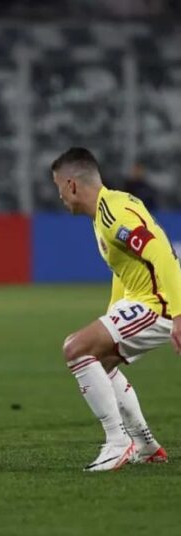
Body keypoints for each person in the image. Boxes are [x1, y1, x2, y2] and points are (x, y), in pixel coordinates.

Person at [51, 147, 181, 472]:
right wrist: (111, 318)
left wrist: (178, 314)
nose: (60, 197)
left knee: (75, 348)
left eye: (58, 188)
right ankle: (146, 444)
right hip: (148, 300)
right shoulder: (108, 210)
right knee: (101, 361)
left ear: (72, 185)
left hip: (160, 303)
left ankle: (117, 442)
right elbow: (123, 269)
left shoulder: (114, 214)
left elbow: (161, 253)